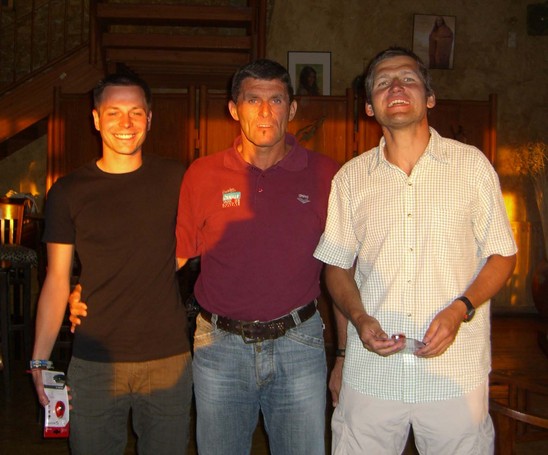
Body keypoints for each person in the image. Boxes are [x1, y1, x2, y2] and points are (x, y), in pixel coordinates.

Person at [313, 46, 517, 454]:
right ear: (369, 107)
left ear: (430, 97)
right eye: (383, 83)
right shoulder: (351, 179)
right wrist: (358, 319)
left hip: (453, 374)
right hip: (372, 373)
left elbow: (503, 255)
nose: (396, 87)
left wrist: (460, 309)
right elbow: (336, 267)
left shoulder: (471, 167)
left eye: (408, 79)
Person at [176, 58, 340, 455]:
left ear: (292, 108)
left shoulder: (328, 175)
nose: (265, 111)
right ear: (234, 109)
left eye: (276, 100)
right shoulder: (202, 174)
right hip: (219, 347)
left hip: (299, 344)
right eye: (253, 100)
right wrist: (99, 295)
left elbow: (343, 268)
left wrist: (345, 353)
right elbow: (174, 258)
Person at [30, 73, 193, 455]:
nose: (126, 123)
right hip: (94, 359)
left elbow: (196, 242)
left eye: (136, 112)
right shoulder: (68, 191)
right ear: (96, 118)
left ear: (149, 118)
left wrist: (146, 270)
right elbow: (56, 279)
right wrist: (39, 359)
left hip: (167, 359)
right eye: (114, 112)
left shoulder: (178, 179)